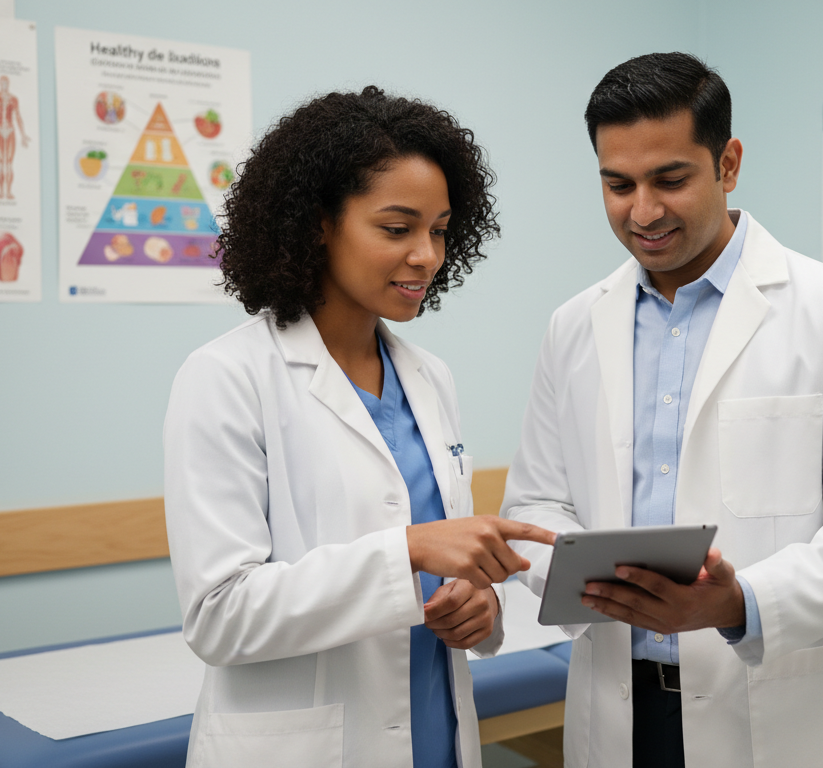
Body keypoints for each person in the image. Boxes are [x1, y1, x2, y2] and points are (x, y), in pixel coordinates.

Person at [502, 52, 823, 767]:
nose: (643, 211)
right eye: (619, 184)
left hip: (772, 708)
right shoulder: (574, 326)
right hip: (619, 708)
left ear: (727, 164)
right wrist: (585, 574)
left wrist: (738, 604)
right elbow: (539, 503)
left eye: (670, 179)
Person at [164, 87, 555, 767]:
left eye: (438, 230)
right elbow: (219, 616)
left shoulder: (430, 378)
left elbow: (441, 570)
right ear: (319, 224)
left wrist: (479, 610)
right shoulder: (226, 376)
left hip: (435, 733)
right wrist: (408, 552)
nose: (428, 255)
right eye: (397, 229)